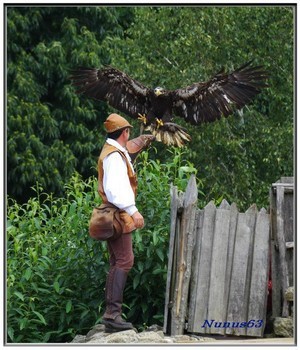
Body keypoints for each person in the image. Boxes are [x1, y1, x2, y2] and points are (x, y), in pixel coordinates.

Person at [97, 113, 144, 332]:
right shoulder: (114, 157)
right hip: (118, 214)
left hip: (113, 213)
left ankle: (111, 315)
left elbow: (127, 154)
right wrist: (134, 212)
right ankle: (112, 314)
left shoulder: (114, 153)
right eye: (129, 131)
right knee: (125, 261)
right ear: (125, 132)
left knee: (118, 262)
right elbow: (116, 190)